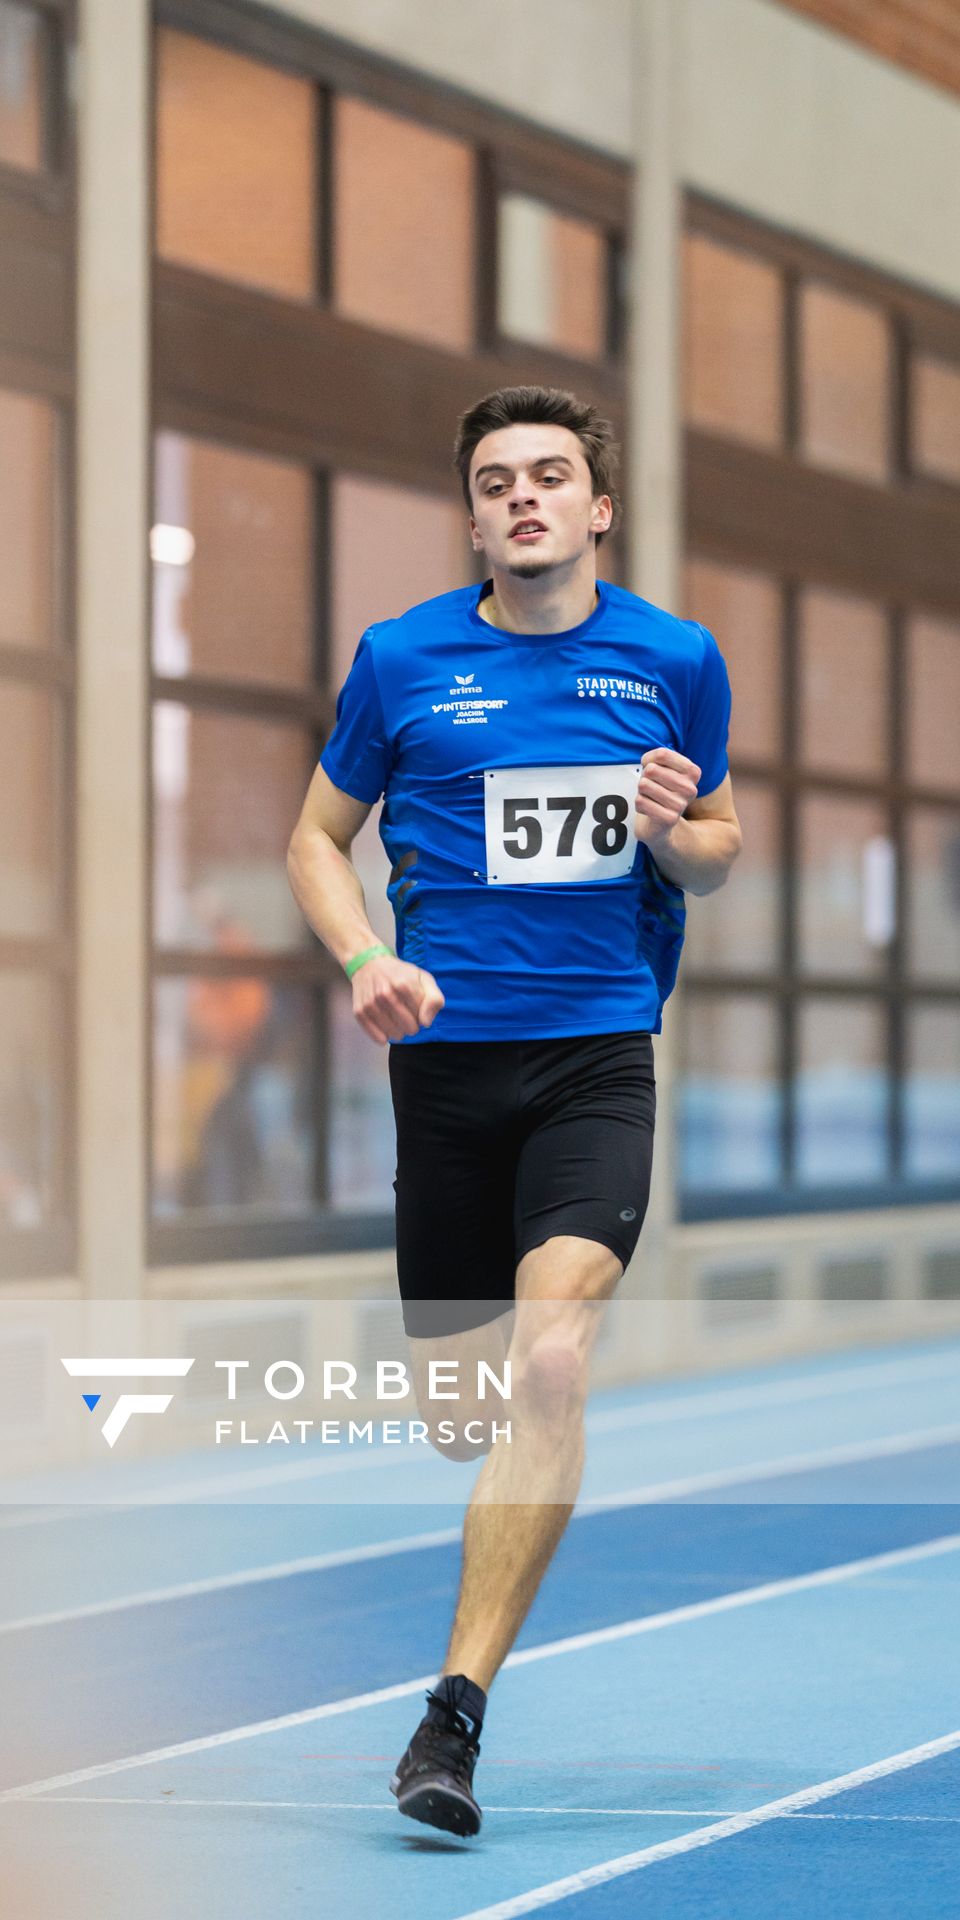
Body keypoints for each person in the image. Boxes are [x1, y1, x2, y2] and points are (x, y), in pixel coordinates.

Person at [285, 384, 741, 1837]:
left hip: (597, 1058)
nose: (524, 498)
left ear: (598, 507)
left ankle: (450, 1721)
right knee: (461, 1410)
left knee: (552, 1364)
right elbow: (313, 837)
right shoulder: (403, 659)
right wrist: (363, 955)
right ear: (474, 514)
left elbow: (719, 847)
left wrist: (679, 837)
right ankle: (477, 1491)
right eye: (497, 482)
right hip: (449, 1072)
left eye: (551, 476)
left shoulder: (673, 658)